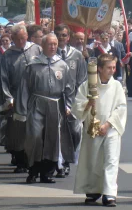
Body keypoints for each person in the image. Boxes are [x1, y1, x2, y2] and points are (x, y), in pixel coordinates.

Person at [72, 54, 127, 207]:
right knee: (94, 160)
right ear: (100, 69)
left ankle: (109, 194)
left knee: (111, 160)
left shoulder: (116, 86)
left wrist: (108, 124)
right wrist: (88, 104)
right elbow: (77, 106)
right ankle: (93, 190)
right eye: (109, 68)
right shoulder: (88, 85)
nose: (112, 70)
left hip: (111, 128)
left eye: (114, 67)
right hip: (93, 127)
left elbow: (121, 107)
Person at [19, 34, 74, 184]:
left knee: (53, 139)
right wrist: (22, 109)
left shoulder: (62, 65)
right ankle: (33, 171)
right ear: (43, 45)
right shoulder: (33, 64)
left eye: (55, 44)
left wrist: (69, 106)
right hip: (37, 103)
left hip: (56, 105)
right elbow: (24, 88)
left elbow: (69, 87)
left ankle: (47, 172)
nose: (53, 47)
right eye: (50, 44)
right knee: (35, 137)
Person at [0, 25, 42, 173]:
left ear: (27, 36)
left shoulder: (36, 49)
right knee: (17, 129)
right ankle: (20, 159)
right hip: (16, 96)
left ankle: (33, 158)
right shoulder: (7, 56)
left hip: (35, 95)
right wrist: (8, 98)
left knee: (34, 127)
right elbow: (2, 78)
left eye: (23, 38)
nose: (21, 41)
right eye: (18, 39)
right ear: (13, 39)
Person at [55, 24, 86, 178]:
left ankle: (70, 154)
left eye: (64, 35)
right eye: (58, 35)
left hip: (73, 100)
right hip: (55, 99)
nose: (61, 38)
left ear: (69, 37)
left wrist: (81, 101)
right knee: (58, 132)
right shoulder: (50, 54)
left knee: (75, 131)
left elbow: (82, 80)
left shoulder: (77, 55)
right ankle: (61, 163)